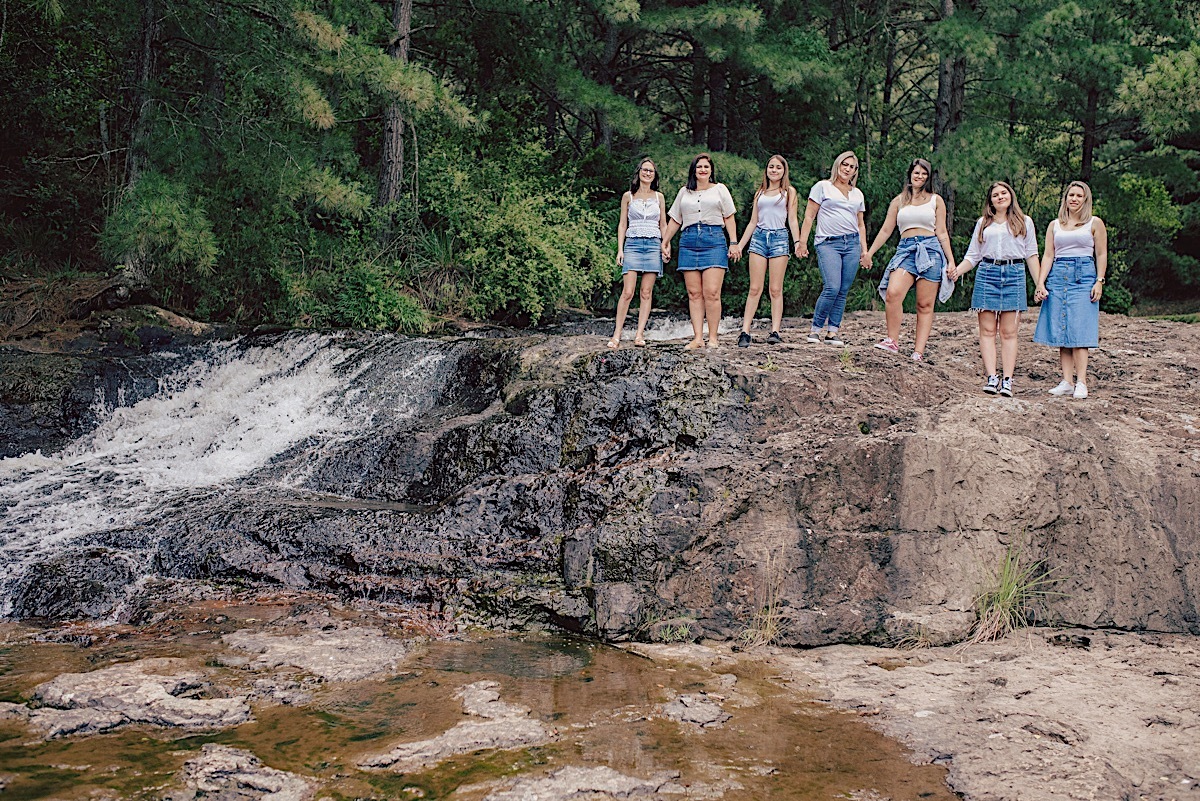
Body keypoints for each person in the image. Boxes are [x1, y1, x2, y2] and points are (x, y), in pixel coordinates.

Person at [948, 181, 1040, 397]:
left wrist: (1039, 283)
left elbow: (1031, 254)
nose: (1000, 197)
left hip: (1014, 274)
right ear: (990, 200)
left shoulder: (1024, 222)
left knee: (1009, 332)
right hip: (987, 273)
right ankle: (991, 377)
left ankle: (1007, 379)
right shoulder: (983, 223)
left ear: (1011, 196)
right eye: (995, 194)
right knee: (987, 331)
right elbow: (973, 255)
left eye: (1003, 193)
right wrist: (957, 271)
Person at [863, 158, 956, 362]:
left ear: (928, 177)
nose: (920, 176)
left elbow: (941, 231)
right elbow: (887, 229)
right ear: (910, 174)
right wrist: (870, 252)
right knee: (893, 292)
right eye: (916, 172)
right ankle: (892, 340)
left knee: (924, 304)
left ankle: (918, 351)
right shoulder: (899, 201)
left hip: (930, 250)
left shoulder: (936, 200)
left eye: (924, 173)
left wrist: (951, 261)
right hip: (906, 250)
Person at [1032, 181, 1108, 399]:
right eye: (1070, 195)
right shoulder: (1055, 225)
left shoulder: (1094, 223)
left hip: (1083, 276)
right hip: (1058, 276)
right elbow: (1048, 255)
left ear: (1085, 200)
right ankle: (1066, 380)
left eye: (1079, 196)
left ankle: (1081, 382)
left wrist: (1099, 280)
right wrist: (1041, 282)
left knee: (1079, 330)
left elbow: (1101, 254)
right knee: (1061, 329)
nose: (1074, 199)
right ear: (1065, 198)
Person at [663, 153, 738, 349]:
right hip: (688, 241)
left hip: (714, 240)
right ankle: (698, 338)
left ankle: (713, 337)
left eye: (706, 166)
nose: (703, 170)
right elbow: (675, 220)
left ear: (711, 170)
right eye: (699, 167)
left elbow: (729, 217)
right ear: (693, 170)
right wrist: (665, 241)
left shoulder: (720, 189)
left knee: (712, 292)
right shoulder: (684, 192)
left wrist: (734, 242)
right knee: (694, 293)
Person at [797, 151, 868, 346]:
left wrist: (865, 251)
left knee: (843, 290)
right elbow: (810, 216)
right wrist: (802, 242)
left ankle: (832, 332)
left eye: (852, 167)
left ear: (855, 171)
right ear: (837, 165)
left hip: (852, 243)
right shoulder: (823, 187)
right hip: (828, 243)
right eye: (845, 164)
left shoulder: (857, 193)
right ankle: (815, 330)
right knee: (832, 286)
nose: (848, 169)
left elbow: (861, 224)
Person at [733, 155, 800, 347]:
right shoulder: (760, 193)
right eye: (771, 167)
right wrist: (739, 244)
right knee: (755, 288)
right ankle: (745, 331)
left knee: (775, 289)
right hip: (759, 238)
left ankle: (775, 331)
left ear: (783, 171)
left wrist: (797, 242)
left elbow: (792, 220)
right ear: (767, 170)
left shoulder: (788, 192)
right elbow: (753, 221)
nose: (774, 170)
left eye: (778, 167)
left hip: (779, 238)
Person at [609, 158, 668, 349]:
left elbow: (664, 224)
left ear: (654, 175)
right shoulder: (628, 196)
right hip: (633, 244)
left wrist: (665, 246)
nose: (647, 173)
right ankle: (617, 334)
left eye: (651, 171)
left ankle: (639, 334)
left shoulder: (659, 197)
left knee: (646, 292)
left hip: (653, 245)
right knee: (628, 292)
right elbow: (622, 224)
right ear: (639, 172)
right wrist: (620, 249)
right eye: (645, 170)